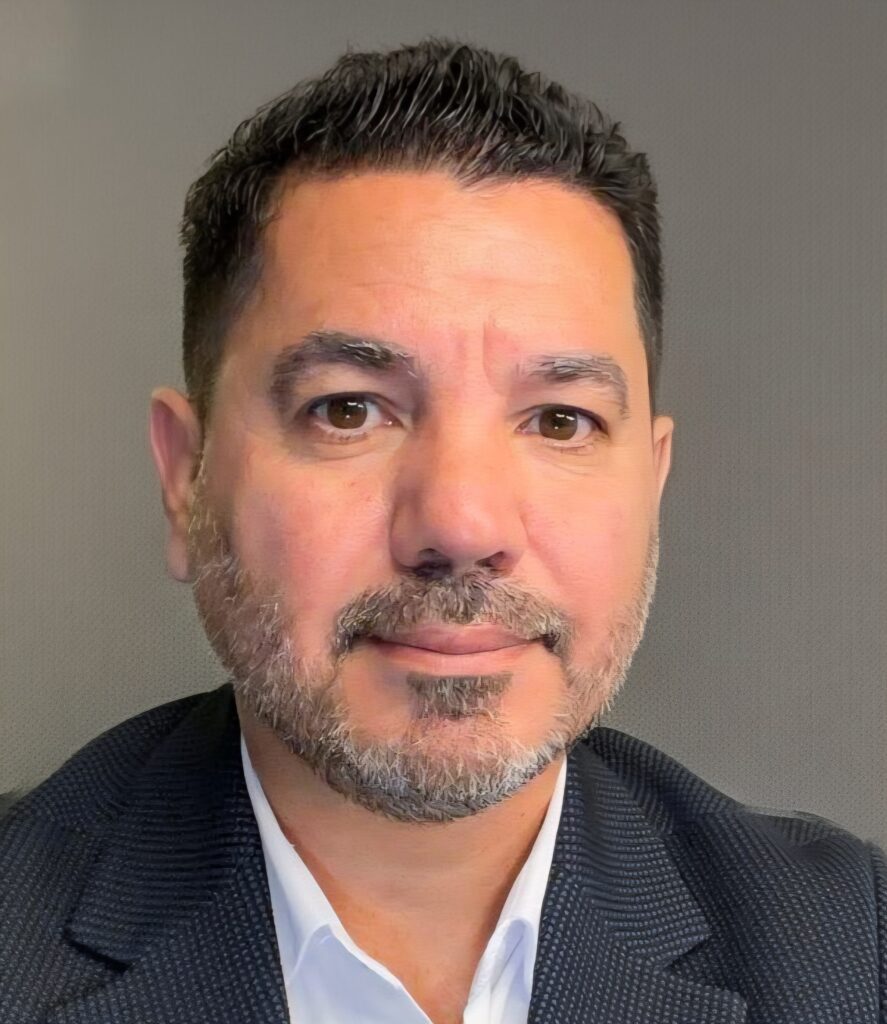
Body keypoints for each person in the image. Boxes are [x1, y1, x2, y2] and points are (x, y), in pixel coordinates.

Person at [0, 37, 883, 1024]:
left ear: (651, 482)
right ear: (184, 481)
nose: (462, 526)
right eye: (348, 410)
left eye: (560, 420)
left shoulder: (854, 951)